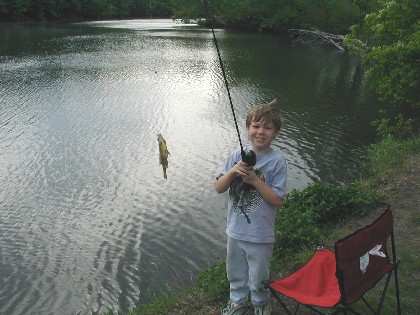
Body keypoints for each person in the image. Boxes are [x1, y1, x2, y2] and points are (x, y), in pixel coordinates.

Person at [215, 99, 287, 315]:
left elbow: (277, 200)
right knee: (235, 274)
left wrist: (256, 181)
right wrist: (233, 171)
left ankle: (261, 307)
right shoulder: (236, 156)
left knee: (258, 279)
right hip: (235, 232)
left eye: (267, 128)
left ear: (275, 133)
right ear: (247, 129)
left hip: (260, 235)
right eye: (256, 126)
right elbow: (219, 188)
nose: (260, 132)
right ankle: (237, 305)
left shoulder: (277, 162)